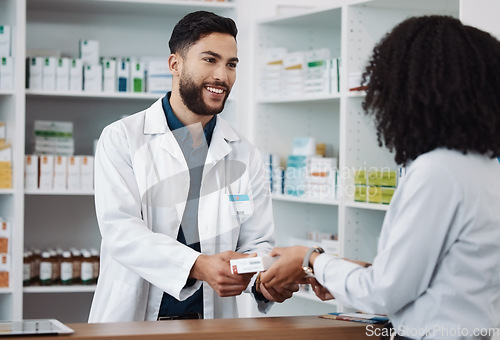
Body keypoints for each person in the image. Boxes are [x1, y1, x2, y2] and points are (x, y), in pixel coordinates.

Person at [260, 15, 500, 339]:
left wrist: (310, 259)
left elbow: (383, 293)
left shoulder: (437, 171)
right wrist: (345, 272)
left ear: (411, 92)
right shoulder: (485, 167)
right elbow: (448, 274)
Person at [89, 11, 297, 323]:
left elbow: (256, 242)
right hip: (134, 319)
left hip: (209, 322)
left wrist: (264, 282)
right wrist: (198, 265)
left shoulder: (244, 153)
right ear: (175, 64)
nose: (222, 76)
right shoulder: (122, 139)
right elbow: (121, 232)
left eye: (231, 64)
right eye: (210, 60)